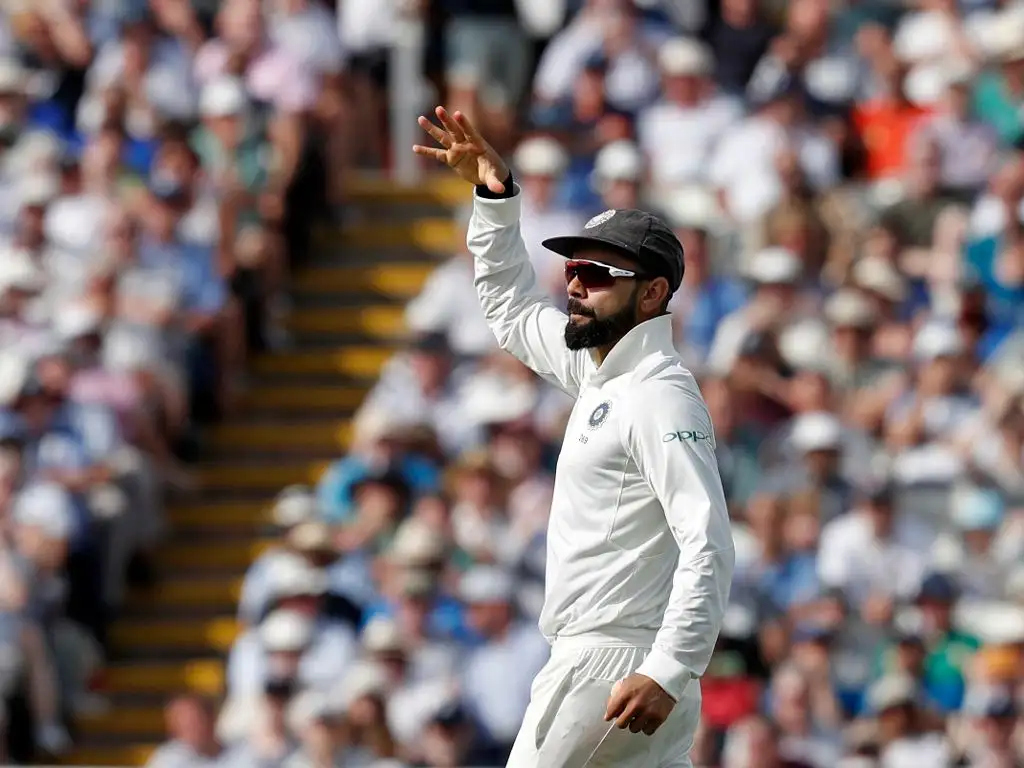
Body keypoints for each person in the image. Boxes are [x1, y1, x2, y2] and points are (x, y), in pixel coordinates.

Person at [413, 106, 735, 767]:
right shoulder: (601, 373)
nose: (576, 285)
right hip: (624, 660)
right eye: (574, 269)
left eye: (598, 274)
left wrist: (669, 667)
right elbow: (509, 310)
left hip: (613, 663)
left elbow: (708, 539)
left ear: (652, 294)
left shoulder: (656, 393)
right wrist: (495, 200)